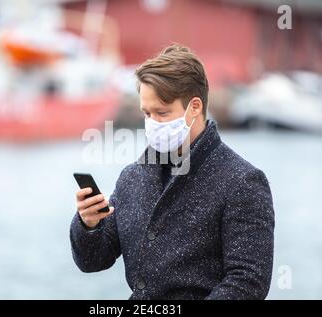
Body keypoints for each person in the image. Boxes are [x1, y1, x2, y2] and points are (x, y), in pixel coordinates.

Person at [70, 44, 275, 300]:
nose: (153, 122)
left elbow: (248, 283)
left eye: (162, 112)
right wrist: (89, 224)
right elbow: (93, 260)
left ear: (195, 107)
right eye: (147, 113)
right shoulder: (132, 177)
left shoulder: (243, 182)